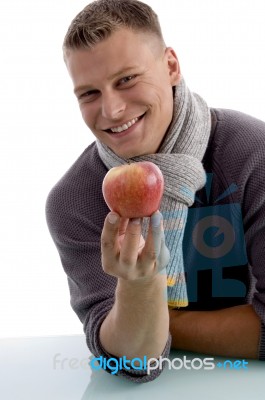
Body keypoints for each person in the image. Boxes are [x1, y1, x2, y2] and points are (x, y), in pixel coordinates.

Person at [45, 0, 265, 383]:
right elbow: (132, 362)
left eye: (126, 79)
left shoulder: (250, 153)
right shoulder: (73, 200)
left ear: (171, 66)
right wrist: (139, 284)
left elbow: (122, 345)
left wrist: (164, 326)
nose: (112, 110)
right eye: (89, 94)